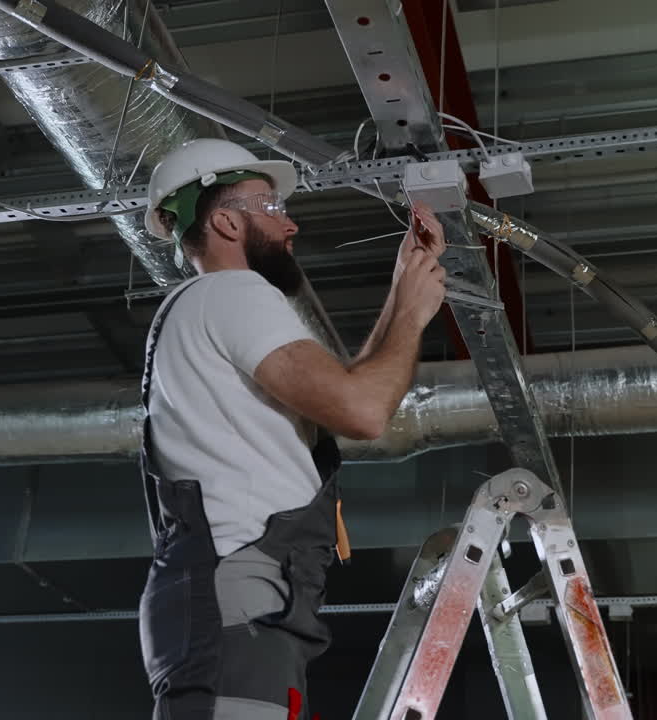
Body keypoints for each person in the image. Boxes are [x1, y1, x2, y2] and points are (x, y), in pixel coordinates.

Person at [136, 138, 447, 720]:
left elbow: (350, 392)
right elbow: (364, 412)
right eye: (271, 208)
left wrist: (404, 287)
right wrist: (409, 313)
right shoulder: (233, 292)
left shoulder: (202, 307)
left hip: (240, 600)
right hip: (239, 597)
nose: (291, 224)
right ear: (226, 221)